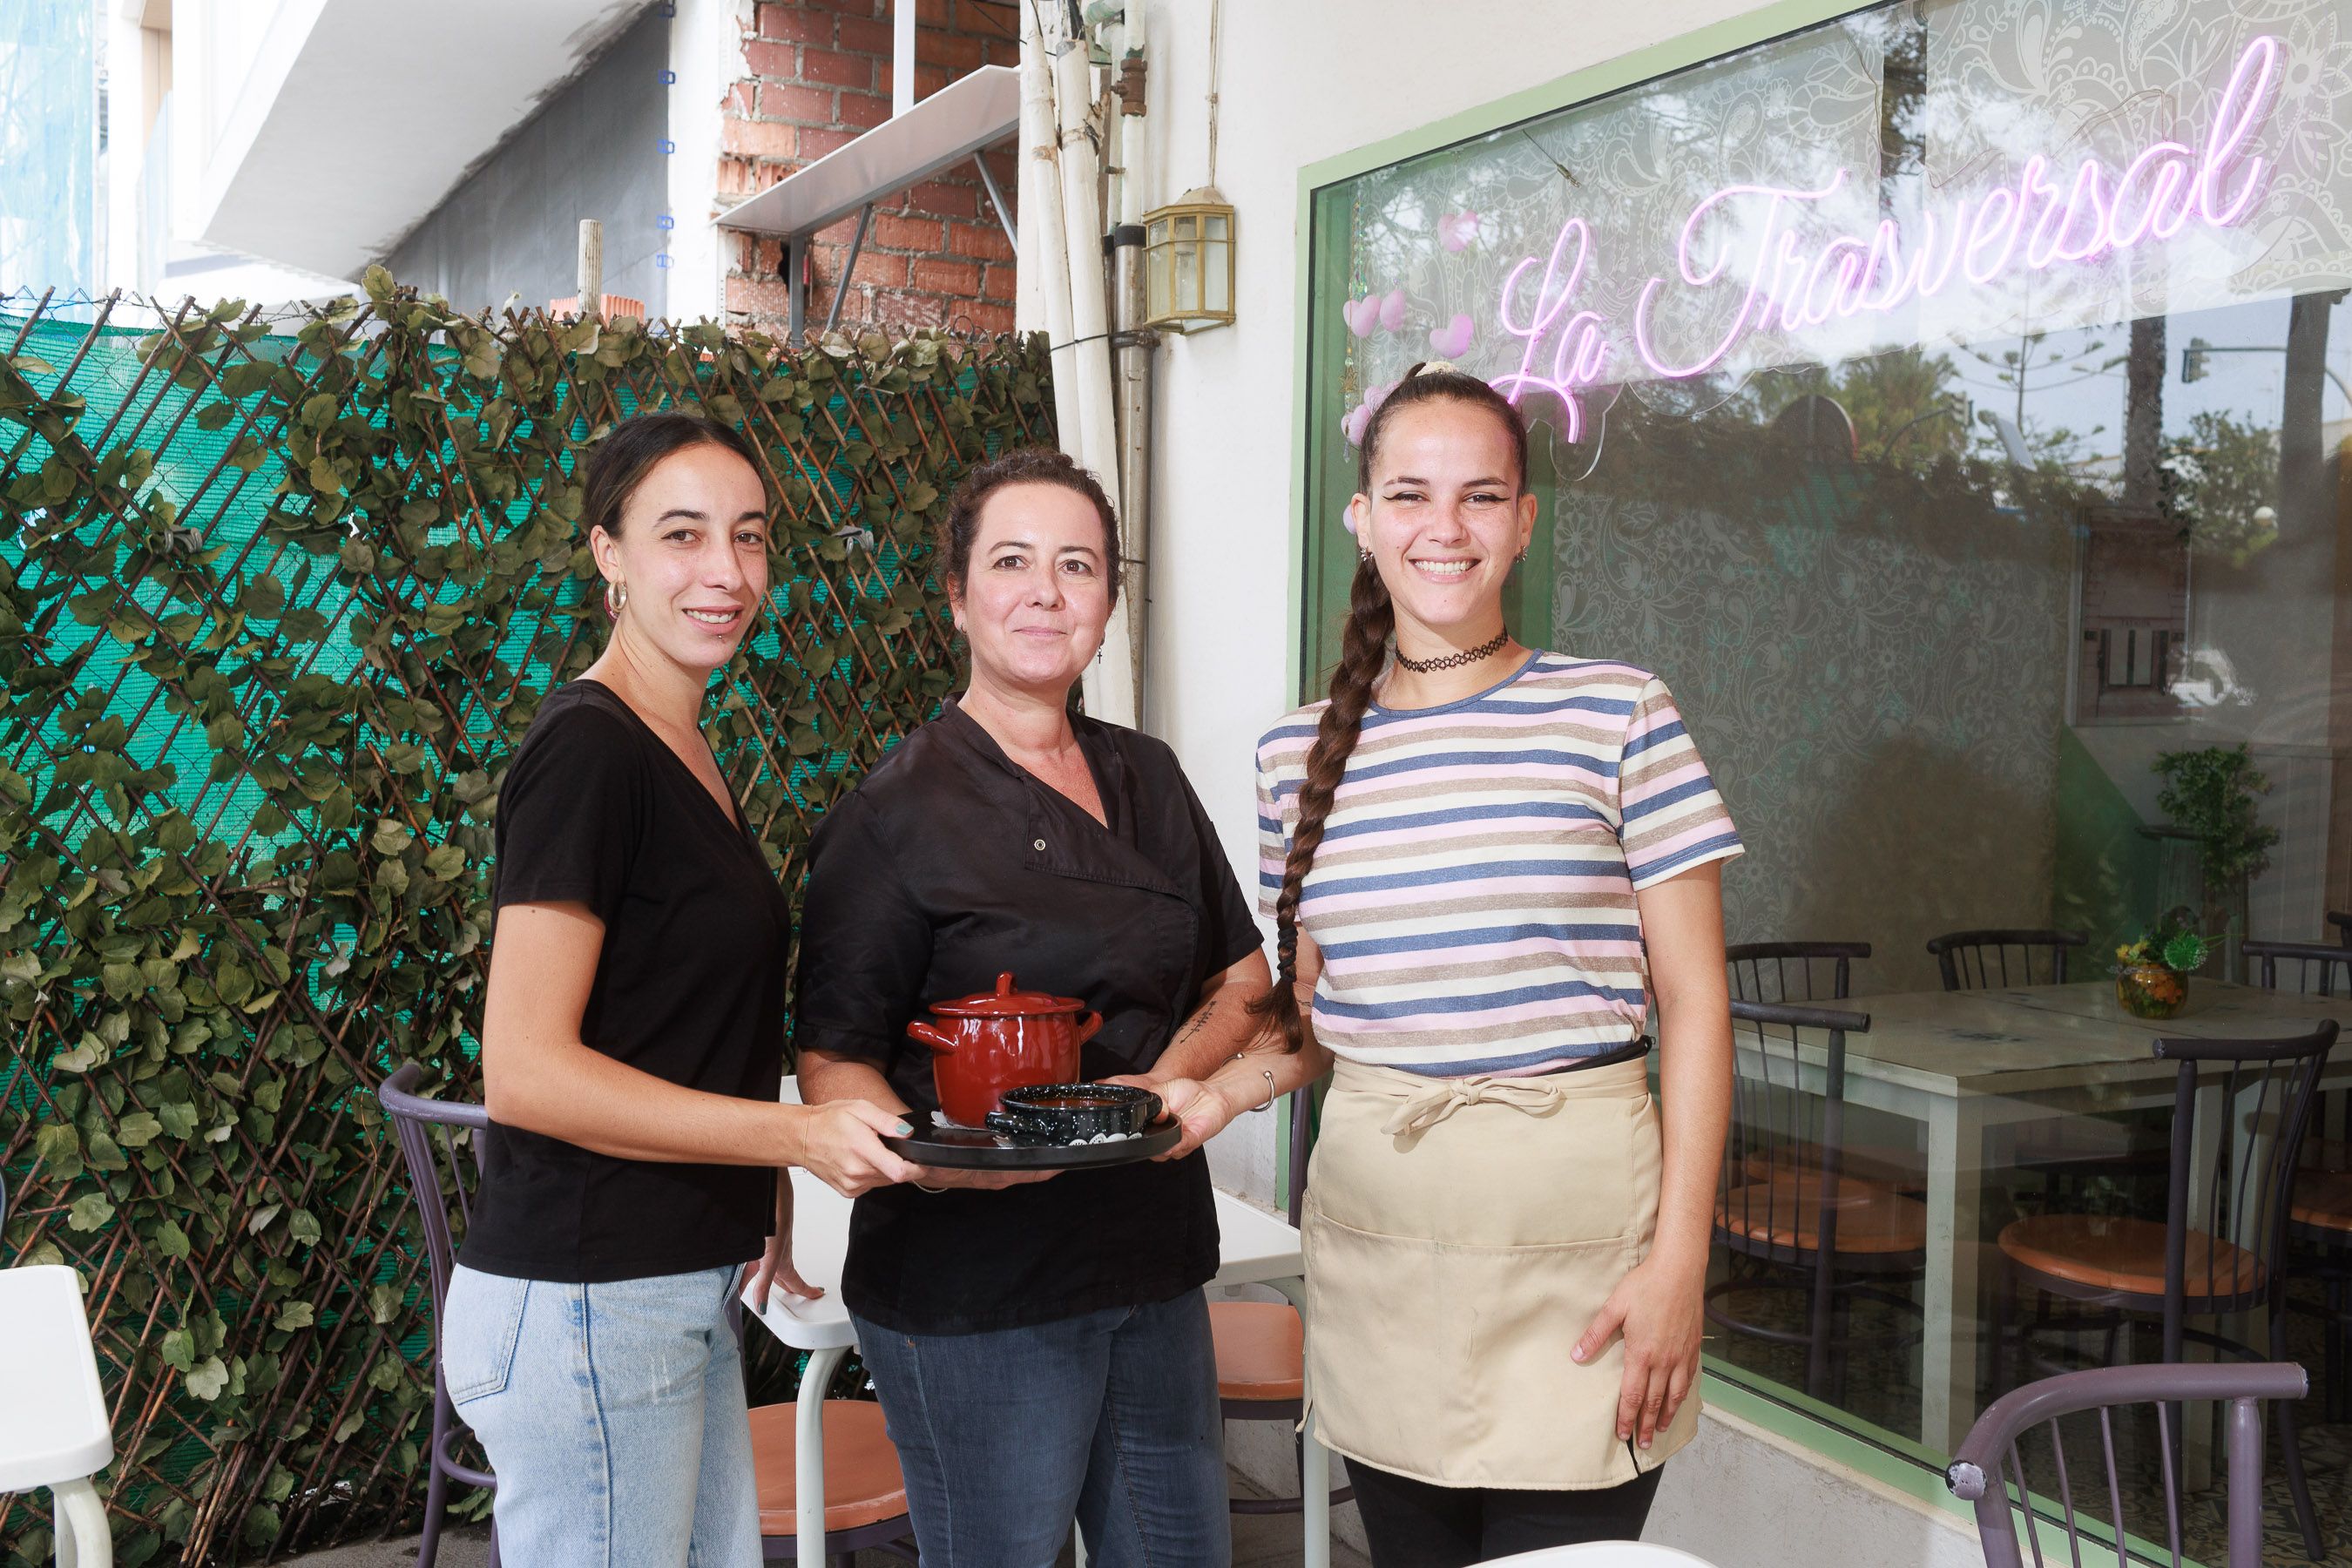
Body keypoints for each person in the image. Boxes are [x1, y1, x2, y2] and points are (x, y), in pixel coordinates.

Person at [1248, 364, 1739, 1566]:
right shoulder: (1293, 756)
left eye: (1481, 497)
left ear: (1523, 523)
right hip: (1381, 1246)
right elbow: (1306, 1017)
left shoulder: (1620, 713)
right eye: (1410, 495)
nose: (1446, 527)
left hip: (1584, 1255)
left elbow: (1697, 1004)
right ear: (1363, 520)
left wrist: (1681, 1262)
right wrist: (1190, 1097)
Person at [443, 411, 918, 1568]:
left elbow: (671, 1020)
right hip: (586, 1300)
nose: (727, 571)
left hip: (658, 1288)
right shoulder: (590, 753)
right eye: (683, 534)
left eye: (749, 536)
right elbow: (526, 1072)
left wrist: (759, 1190)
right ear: (608, 553)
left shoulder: (681, 744)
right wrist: (792, 1136)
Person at [793, 447, 1271, 1568]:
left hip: (1151, 1257)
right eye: (1011, 562)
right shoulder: (894, 814)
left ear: (1108, 602)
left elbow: (1243, 983)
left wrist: (1161, 1085)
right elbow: (833, 1063)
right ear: (957, 598)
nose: (1046, 592)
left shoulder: (1151, 778)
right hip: (976, 1289)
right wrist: (935, 1163)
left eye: (1078, 565)